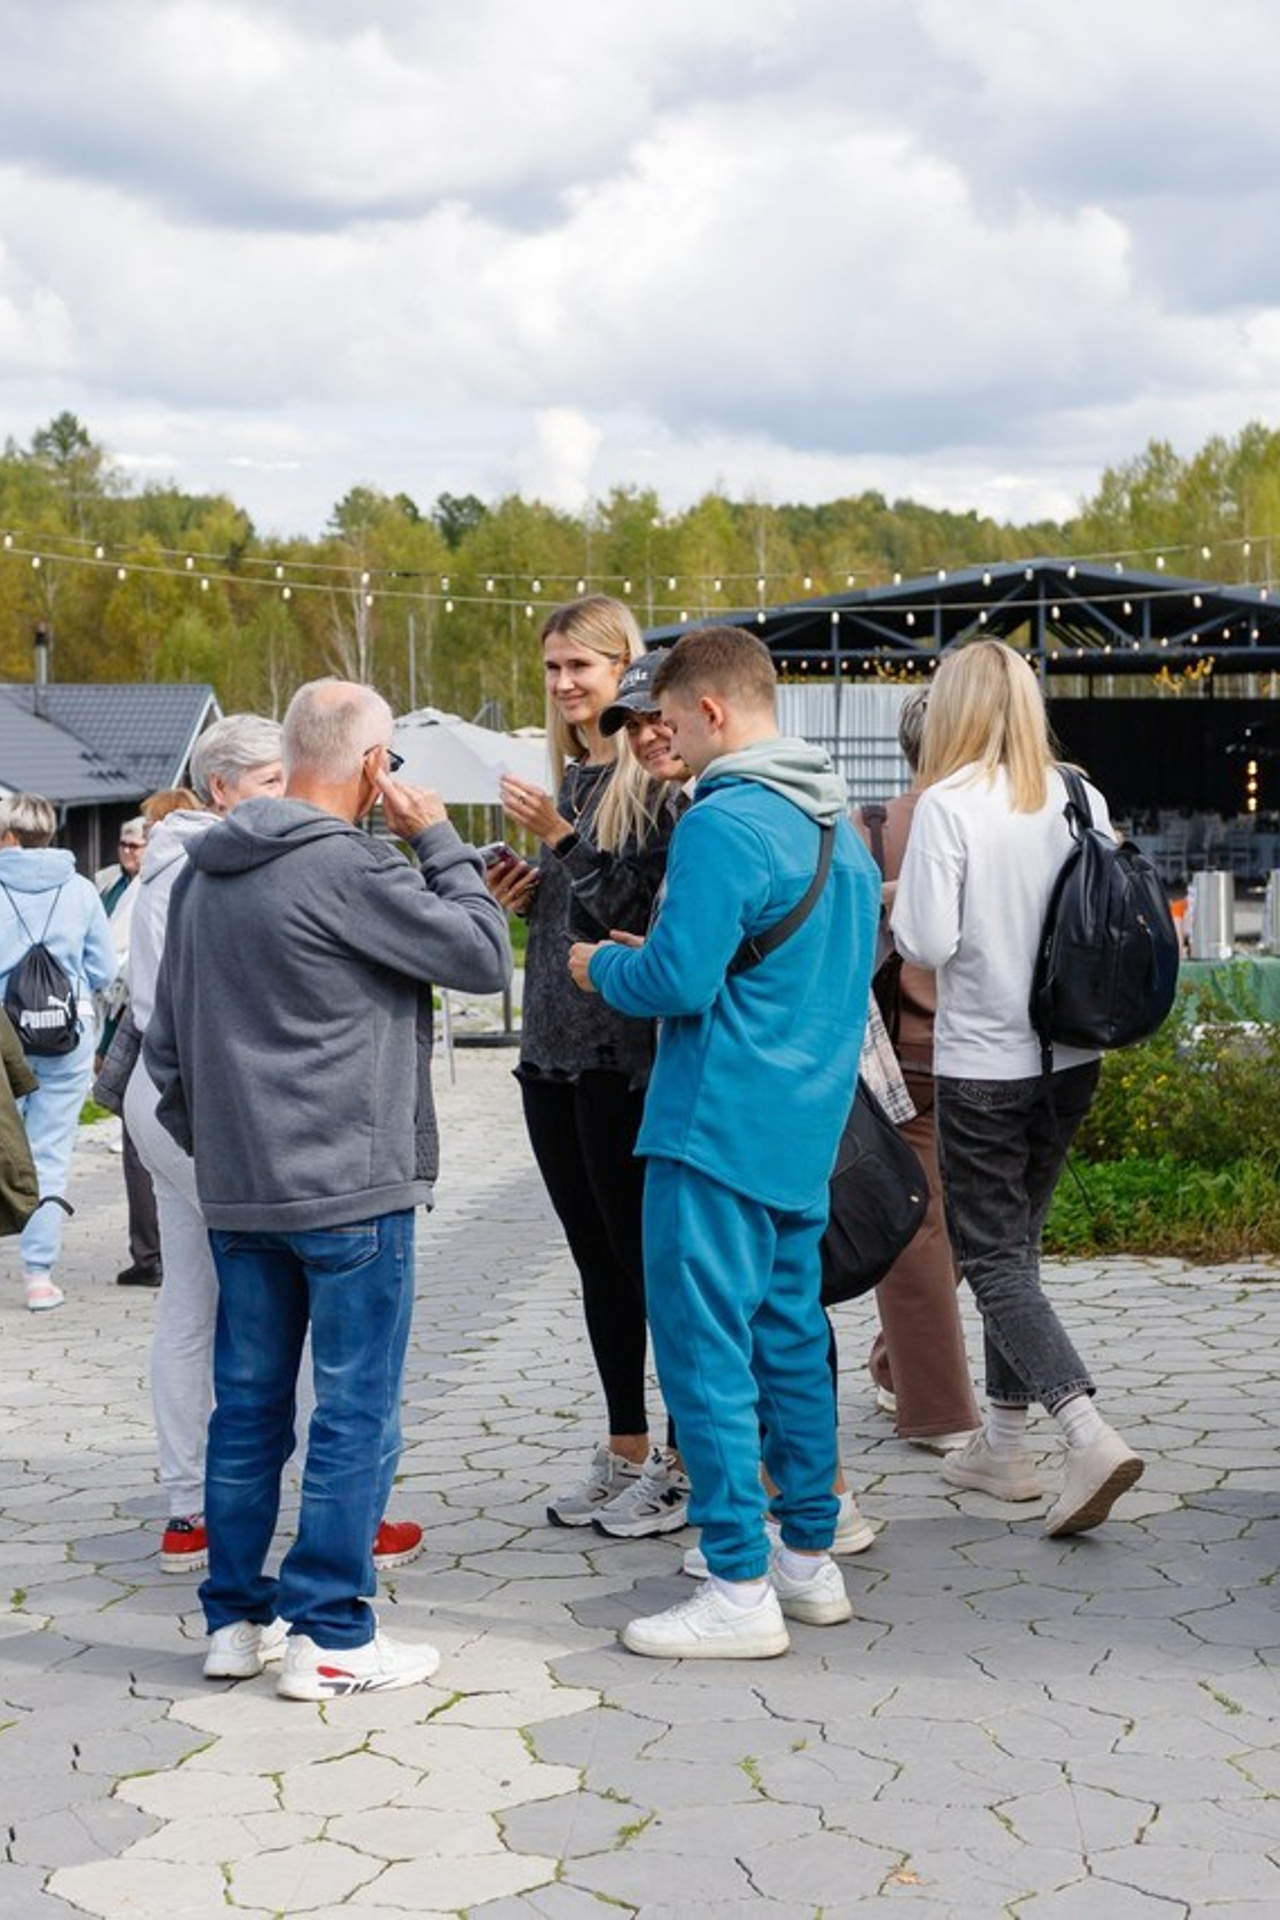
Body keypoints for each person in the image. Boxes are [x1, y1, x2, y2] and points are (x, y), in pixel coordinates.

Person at [144, 679, 511, 1696]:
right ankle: (333, 1635)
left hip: (244, 1192)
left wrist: (224, 1147)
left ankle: (233, 1623)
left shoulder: (202, 870)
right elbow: (483, 956)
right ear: (369, 763)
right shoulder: (348, 867)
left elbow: (164, 1049)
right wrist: (439, 843)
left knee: (248, 1409)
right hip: (350, 1187)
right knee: (355, 1410)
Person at [570, 626, 879, 1660]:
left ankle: (737, 1586)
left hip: (710, 1122)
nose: (655, 734)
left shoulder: (721, 820)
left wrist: (594, 970)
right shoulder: (834, 819)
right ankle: (806, 1559)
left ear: (711, 711)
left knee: (703, 1351)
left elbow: (674, 985)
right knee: (788, 1342)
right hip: (800, 1126)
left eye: (664, 716)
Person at [891, 639, 1144, 1538]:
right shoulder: (1081, 794)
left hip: (984, 1065)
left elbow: (923, 942)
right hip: (1073, 1057)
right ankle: (1002, 1443)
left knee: (993, 1257)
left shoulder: (947, 805)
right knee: (1019, 1251)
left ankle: (1084, 1431)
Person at [494, 598, 690, 1537]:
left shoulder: (655, 781)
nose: (567, 685)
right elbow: (575, 916)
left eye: (583, 666)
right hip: (554, 1050)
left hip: (625, 1052)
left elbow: (642, 915)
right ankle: (625, 1449)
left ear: (626, 670)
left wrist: (565, 847)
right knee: (594, 1264)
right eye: (554, 669)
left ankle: (691, 1458)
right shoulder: (565, 782)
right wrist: (524, 896)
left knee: (645, 1261)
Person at [124, 719, 289, 1571]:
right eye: (269, 780)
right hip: (202, 1098)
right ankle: (316, 1505)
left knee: (190, 1303)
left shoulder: (162, 860)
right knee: (278, 1296)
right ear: (221, 788)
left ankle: (187, 1507)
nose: (285, 795)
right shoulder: (212, 862)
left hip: (158, 1097)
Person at [853, 687, 981, 1450]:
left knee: (918, 1225)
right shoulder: (995, 822)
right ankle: (935, 1407)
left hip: (906, 1054)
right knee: (950, 1225)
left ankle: (910, 1379)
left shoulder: (872, 825)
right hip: (1000, 1052)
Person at [0, 793, 115, 1310]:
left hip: (4, 1037)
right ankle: (39, 1277)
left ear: (8, 835)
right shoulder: (82, 889)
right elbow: (105, 972)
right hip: (66, 1038)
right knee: (48, 1152)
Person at [97, 817, 162, 1288]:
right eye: (123, 842)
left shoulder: (153, 890)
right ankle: (152, 1252)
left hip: (144, 1024)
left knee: (142, 1144)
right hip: (135, 1019)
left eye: (136, 842)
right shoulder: (109, 887)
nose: (128, 850)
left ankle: (152, 1253)